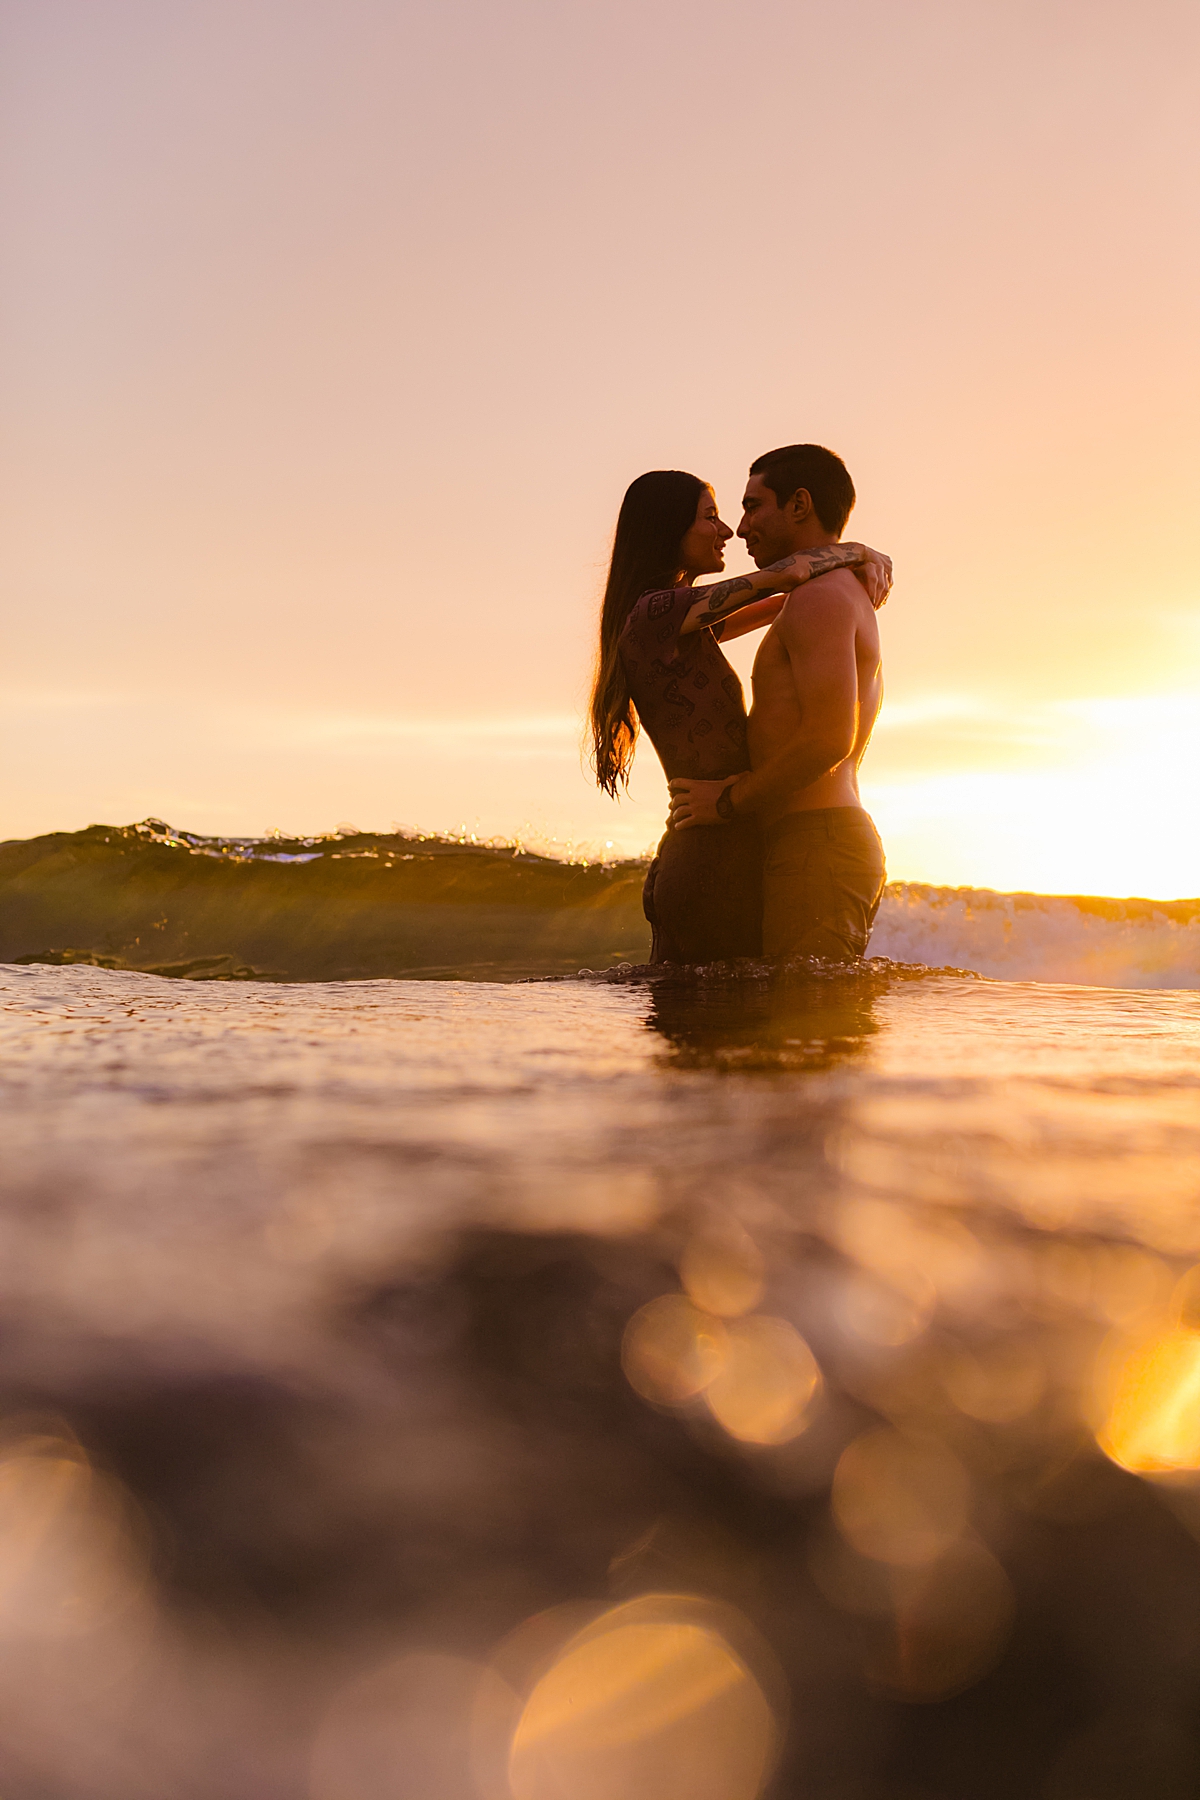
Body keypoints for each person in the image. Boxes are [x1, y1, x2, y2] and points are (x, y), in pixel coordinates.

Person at [589, 469, 891, 964]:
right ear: (669, 530)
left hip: (721, 849)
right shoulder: (657, 612)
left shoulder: (679, 620)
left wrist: (840, 581)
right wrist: (858, 552)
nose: (728, 530)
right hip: (710, 854)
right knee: (710, 1028)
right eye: (710, 517)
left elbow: (784, 601)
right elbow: (787, 575)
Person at [668, 445, 886, 962]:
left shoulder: (820, 600)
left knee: (809, 1030)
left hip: (818, 843)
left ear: (799, 505)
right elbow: (693, 629)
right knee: (793, 1034)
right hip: (812, 841)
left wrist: (727, 802)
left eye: (752, 506)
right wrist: (856, 551)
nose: (740, 529)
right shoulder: (814, 596)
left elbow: (830, 738)